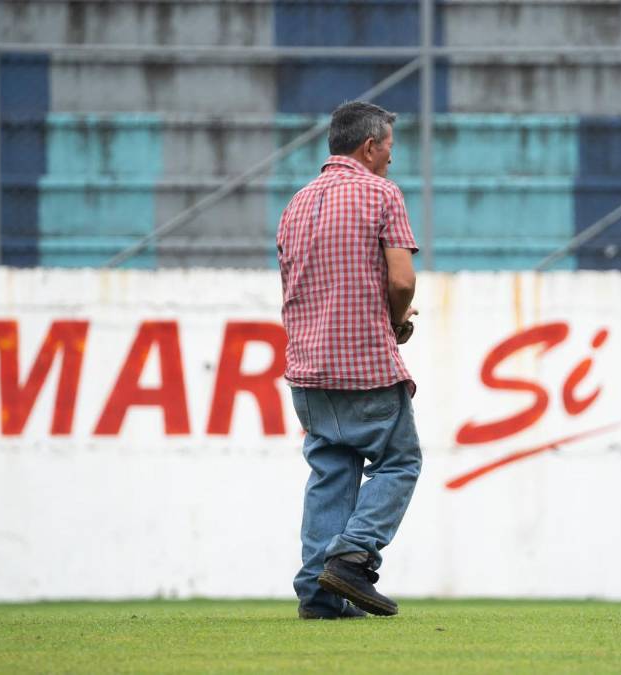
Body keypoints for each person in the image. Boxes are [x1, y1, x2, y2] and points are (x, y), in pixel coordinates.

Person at [276, 100, 422, 620]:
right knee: (400, 461)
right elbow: (401, 280)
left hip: (307, 370)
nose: (391, 160)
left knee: (331, 473)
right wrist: (397, 320)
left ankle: (320, 596)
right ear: (369, 146)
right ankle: (353, 556)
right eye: (389, 148)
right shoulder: (381, 193)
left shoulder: (295, 203)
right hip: (363, 363)